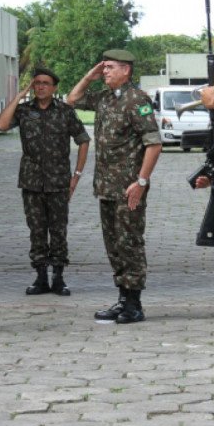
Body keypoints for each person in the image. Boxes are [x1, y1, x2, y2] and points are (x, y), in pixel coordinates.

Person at [67, 49, 162, 324]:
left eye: (110, 67)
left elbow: (154, 144)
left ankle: (134, 304)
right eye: (103, 68)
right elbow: (72, 99)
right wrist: (88, 77)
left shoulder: (137, 100)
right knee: (114, 245)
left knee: (129, 242)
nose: (104, 71)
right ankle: (123, 300)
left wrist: (141, 182)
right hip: (107, 187)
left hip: (129, 187)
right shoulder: (106, 99)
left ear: (126, 71)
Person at [0, 67, 90, 297]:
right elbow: (1, 125)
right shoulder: (24, 111)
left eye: (46, 83)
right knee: (36, 230)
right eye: (37, 83)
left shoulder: (65, 112)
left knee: (58, 230)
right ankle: (40, 277)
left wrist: (76, 175)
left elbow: (83, 140)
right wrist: (18, 96)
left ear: (54, 88)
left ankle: (58, 278)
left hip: (59, 181)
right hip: (31, 181)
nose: (40, 86)